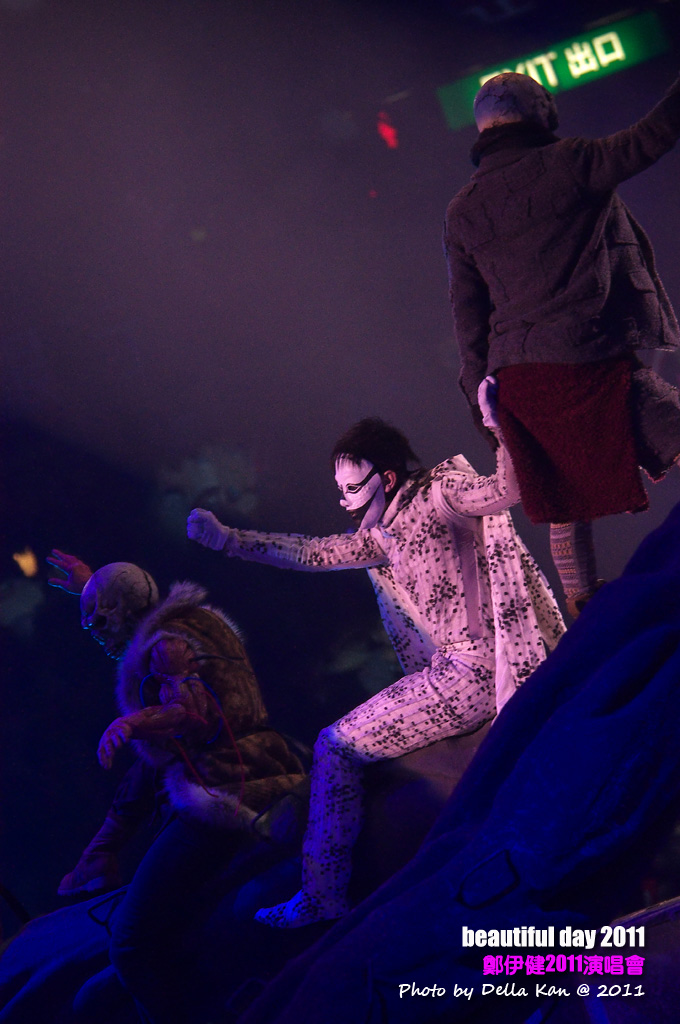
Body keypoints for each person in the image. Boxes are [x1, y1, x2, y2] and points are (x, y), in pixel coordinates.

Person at [187, 415, 564, 928]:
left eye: (352, 489)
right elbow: (312, 553)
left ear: (386, 478)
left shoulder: (443, 493)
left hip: (472, 671)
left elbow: (506, 490)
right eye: (339, 491)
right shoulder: (383, 536)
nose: (344, 502)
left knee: (335, 745)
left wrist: (500, 427)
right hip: (450, 669)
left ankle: (323, 893)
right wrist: (230, 539)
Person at [444, 71, 680, 617]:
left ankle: (586, 613)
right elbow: (653, 135)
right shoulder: (572, 162)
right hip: (586, 364)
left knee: (563, 504)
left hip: (519, 382)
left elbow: (467, 317)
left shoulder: (463, 208)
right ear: (539, 110)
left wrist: (484, 410)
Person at [47, 553, 304, 1023]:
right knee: (146, 772)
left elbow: (192, 715)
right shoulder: (189, 623)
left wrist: (134, 722)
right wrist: (91, 587)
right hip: (264, 760)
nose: (96, 635)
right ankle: (99, 856)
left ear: (122, 610)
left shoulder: (165, 648)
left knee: (129, 945)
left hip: (222, 786)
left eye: (100, 622)